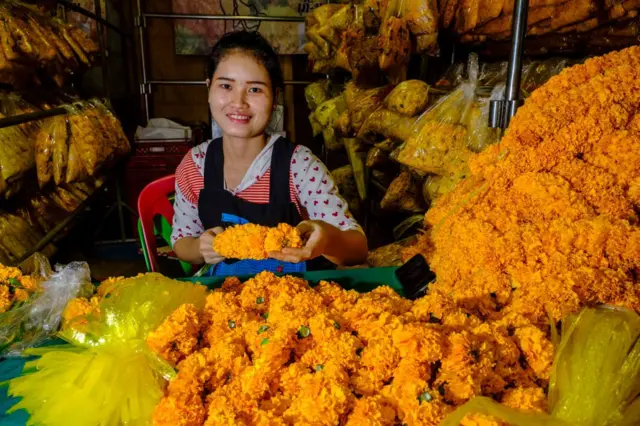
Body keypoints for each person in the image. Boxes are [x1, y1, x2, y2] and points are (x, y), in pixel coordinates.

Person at [170, 31, 368, 276]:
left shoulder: (299, 166)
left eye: (254, 90)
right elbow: (182, 242)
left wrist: (326, 237)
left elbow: (358, 248)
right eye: (226, 85)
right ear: (209, 87)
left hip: (296, 301)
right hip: (227, 299)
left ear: (274, 98)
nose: (238, 102)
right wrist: (202, 248)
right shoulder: (194, 166)